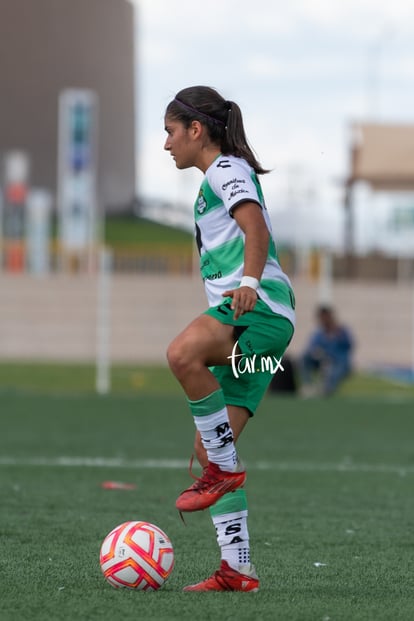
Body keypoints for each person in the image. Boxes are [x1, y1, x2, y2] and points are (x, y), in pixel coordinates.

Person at [164, 86, 295, 592]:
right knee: (211, 450)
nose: (167, 144)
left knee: (182, 353)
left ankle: (223, 475)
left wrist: (248, 283)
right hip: (265, 325)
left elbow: (255, 229)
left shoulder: (225, 169)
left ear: (197, 130)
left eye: (171, 132)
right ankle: (238, 569)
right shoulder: (216, 178)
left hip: (258, 311)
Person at [300, 305, 353, 396]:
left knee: (334, 371)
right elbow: (312, 347)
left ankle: (327, 390)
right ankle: (308, 385)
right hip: (322, 359)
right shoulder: (319, 333)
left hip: (338, 361)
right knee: (304, 357)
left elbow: (349, 345)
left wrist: (337, 336)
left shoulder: (341, 331)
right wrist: (317, 352)